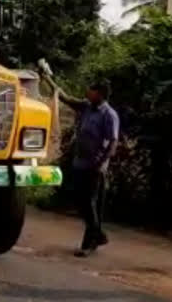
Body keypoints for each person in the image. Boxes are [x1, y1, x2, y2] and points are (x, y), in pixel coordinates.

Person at [43, 73, 119, 257]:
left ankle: (89, 243)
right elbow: (64, 97)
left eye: (91, 91)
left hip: (95, 165)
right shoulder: (86, 107)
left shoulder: (109, 115)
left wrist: (101, 164)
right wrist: (48, 79)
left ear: (100, 94)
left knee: (90, 203)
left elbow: (113, 143)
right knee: (80, 201)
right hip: (80, 162)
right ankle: (98, 234)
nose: (87, 93)